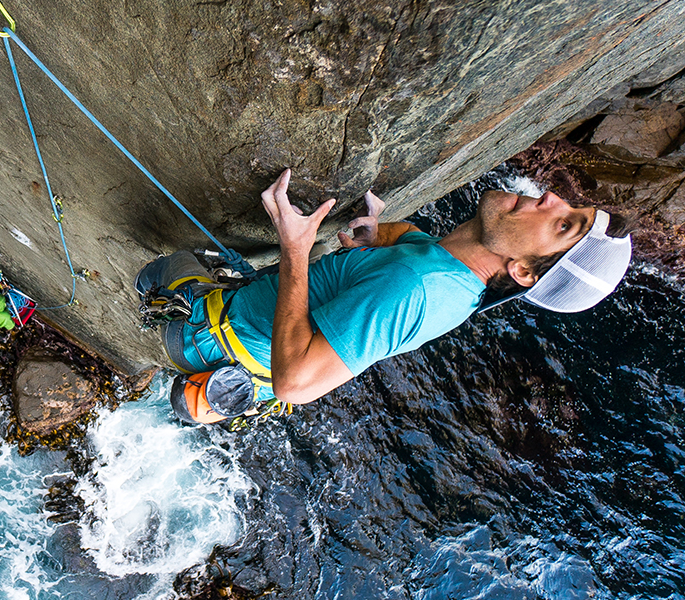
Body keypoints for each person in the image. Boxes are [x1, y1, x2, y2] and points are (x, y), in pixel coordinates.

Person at [137, 168, 633, 423]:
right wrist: (375, 232)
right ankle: (206, 398)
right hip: (251, 351)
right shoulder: (449, 267)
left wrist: (295, 247)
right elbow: (409, 238)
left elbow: (297, 386)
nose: (551, 198)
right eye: (570, 205)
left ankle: (183, 356)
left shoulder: (414, 288)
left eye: (564, 224)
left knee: (171, 265)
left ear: (523, 271)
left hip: (217, 340)